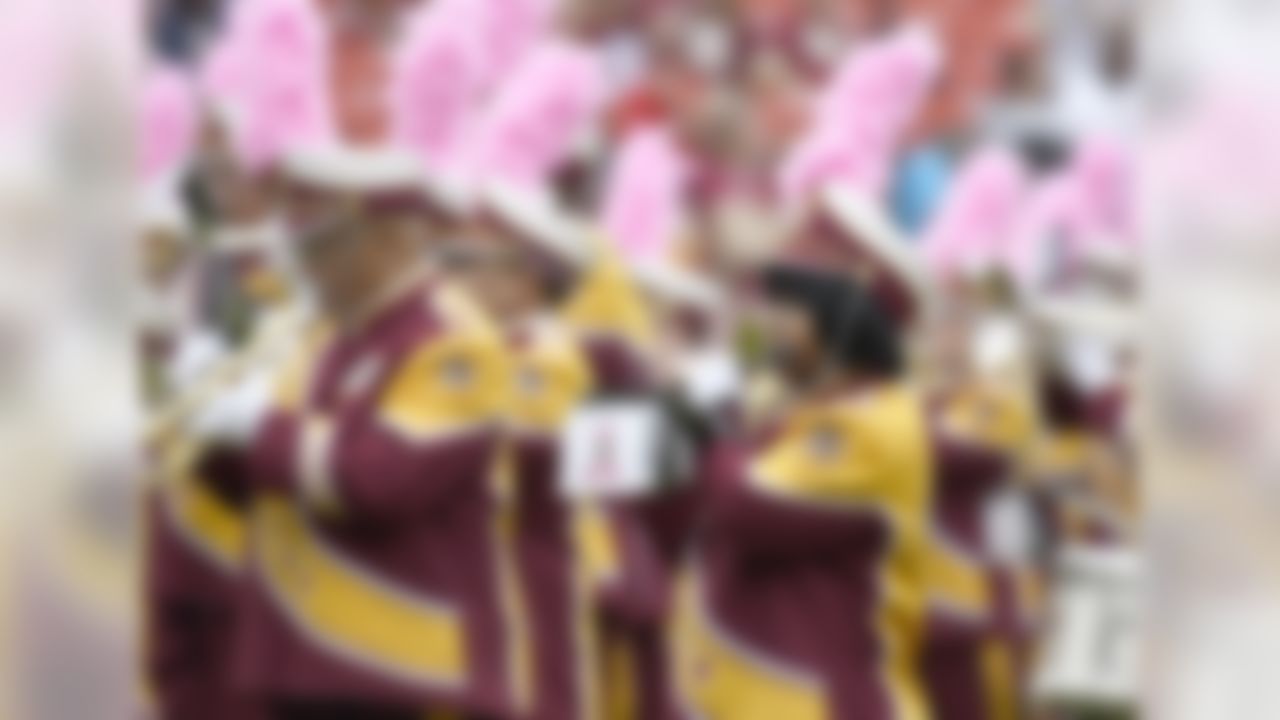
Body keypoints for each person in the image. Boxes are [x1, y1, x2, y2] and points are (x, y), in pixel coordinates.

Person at [184, 143, 520, 720]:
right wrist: (210, 423)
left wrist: (258, 425)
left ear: (389, 238)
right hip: (296, 651)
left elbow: (380, 480)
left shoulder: (453, 340)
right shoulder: (323, 336)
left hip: (395, 665)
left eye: (321, 241)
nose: (307, 263)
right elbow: (243, 488)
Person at [670, 185, 934, 720]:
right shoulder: (796, 405)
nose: (770, 324)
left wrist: (715, 412)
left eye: (790, 308)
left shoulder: (875, 425)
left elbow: (747, 508)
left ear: (844, 320)